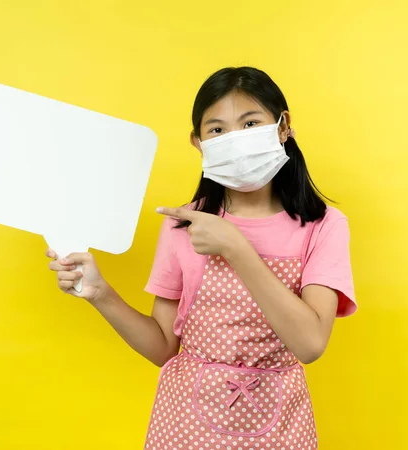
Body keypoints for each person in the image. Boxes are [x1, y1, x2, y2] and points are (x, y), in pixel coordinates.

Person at [46, 67, 356, 450]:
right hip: (184, 426)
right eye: (218, 130)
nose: (235, 140)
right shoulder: (182, 226)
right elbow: (163, 348)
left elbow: (310, 344)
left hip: (280, 426)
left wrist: (236, 248)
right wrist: (100, 293)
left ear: (282, 125)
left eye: (250, 122)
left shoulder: (323, 226)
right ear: (198, 142)